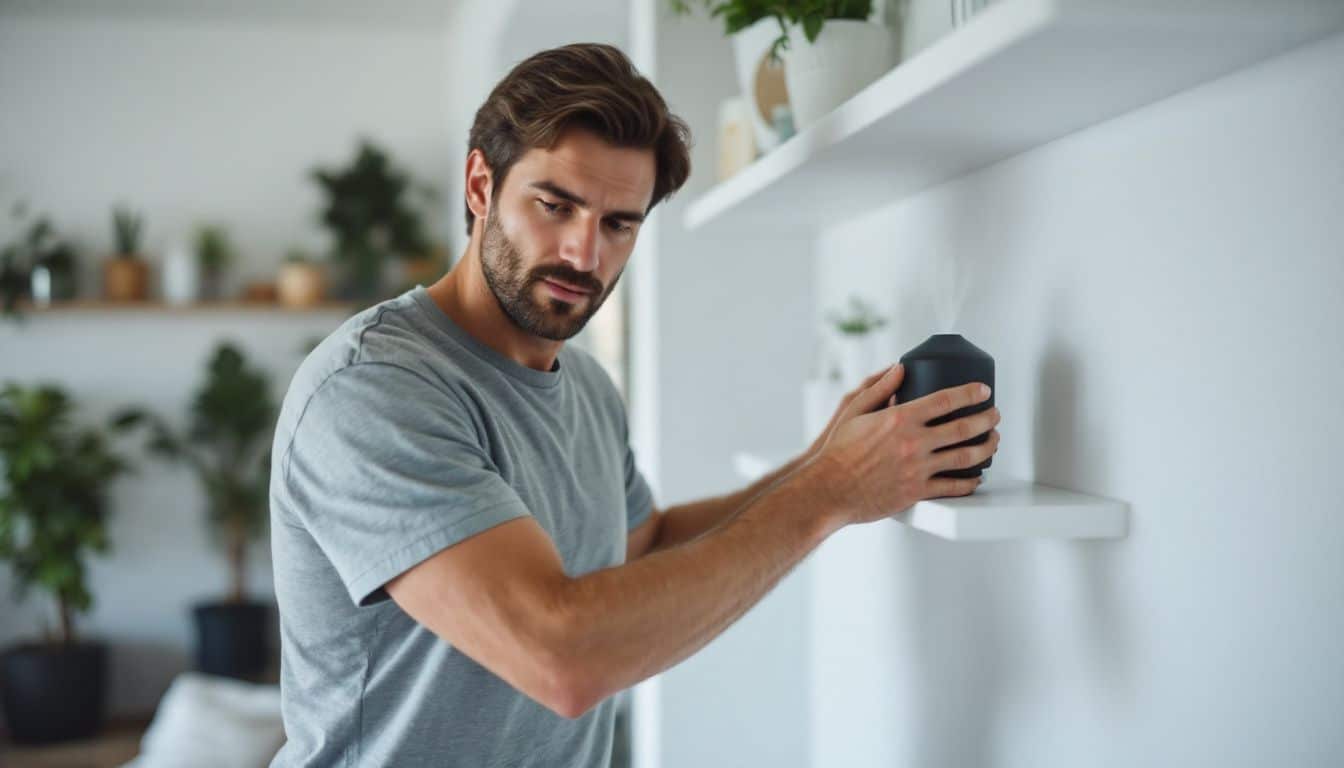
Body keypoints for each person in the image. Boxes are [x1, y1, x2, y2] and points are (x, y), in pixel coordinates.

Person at [268, 42, 1001, 767]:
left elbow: (641, 547)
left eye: (619, 223)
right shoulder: (372, 387)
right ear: (480, 186)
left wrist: (823, 459)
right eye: (555, 205)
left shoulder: (583, 384)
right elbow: (563, 656)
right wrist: (828, 492)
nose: (585, 255)